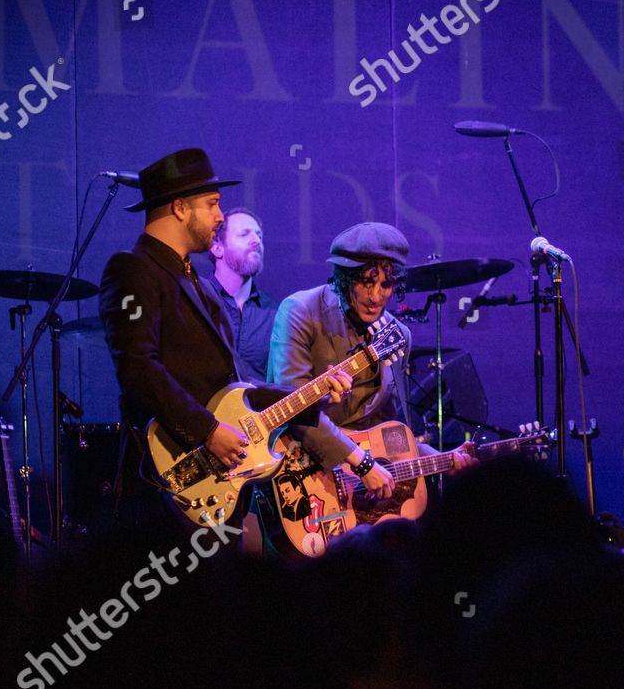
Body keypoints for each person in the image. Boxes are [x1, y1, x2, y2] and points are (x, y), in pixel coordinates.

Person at [97, 148, 350, 529]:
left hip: (220, 485)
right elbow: (137, 367)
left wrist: (315, 394)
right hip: (171, 486)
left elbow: (236, 389)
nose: (220, 216)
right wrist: (208, 430)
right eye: (212, 204)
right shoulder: (133, 270)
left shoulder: (197, 283)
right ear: (180, 208)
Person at [268, 222, 474, 514]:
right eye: (367, 281)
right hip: (303, 476)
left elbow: (390, 434)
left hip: (358, 495)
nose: (376, 296)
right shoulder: (301, 311)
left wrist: (442, 458)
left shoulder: (398, 335)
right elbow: (293, 409)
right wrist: (360, 462)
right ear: (345, 277)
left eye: (386, 284)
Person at [206, 206, 277, 383]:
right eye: (244, 234)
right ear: (217, 248)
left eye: (259, 236)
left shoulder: (275, 314)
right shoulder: (196, 300)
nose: (256, 241)